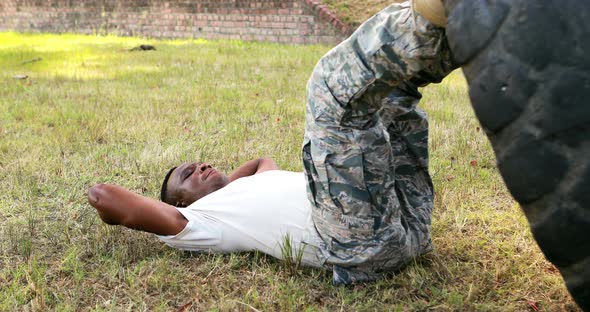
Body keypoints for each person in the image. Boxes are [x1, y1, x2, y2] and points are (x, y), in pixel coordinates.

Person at [88, 158, 327, 268]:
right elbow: (102, 195)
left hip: (345, 194)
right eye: (189, 174)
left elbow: (260, 161)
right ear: (179, 204)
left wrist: (229, 186)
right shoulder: (202, 219)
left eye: (201, 164)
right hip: (338, 225)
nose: (203, 166)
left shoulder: (251, 184)